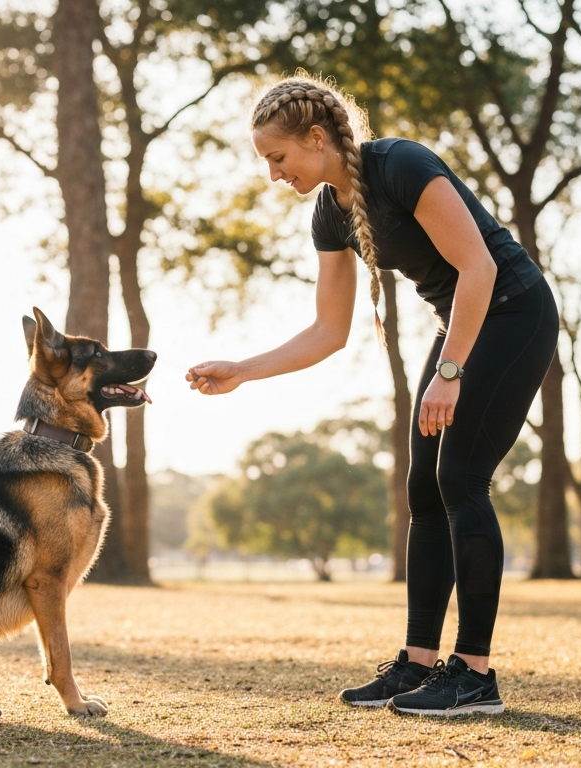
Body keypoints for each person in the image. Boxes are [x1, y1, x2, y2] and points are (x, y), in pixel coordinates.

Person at [185, 75, 558, 717]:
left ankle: (475, 676)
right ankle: (418, 662)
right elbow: (329, 332)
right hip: (461, 324)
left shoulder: (401, 165)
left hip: (513, 312)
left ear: (317, 137)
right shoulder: (329, 213)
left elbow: (480, 267)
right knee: (423, 490)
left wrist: (449, 373)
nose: (273, 174)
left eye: (278, 157)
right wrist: (243, 370)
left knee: (460, 478)